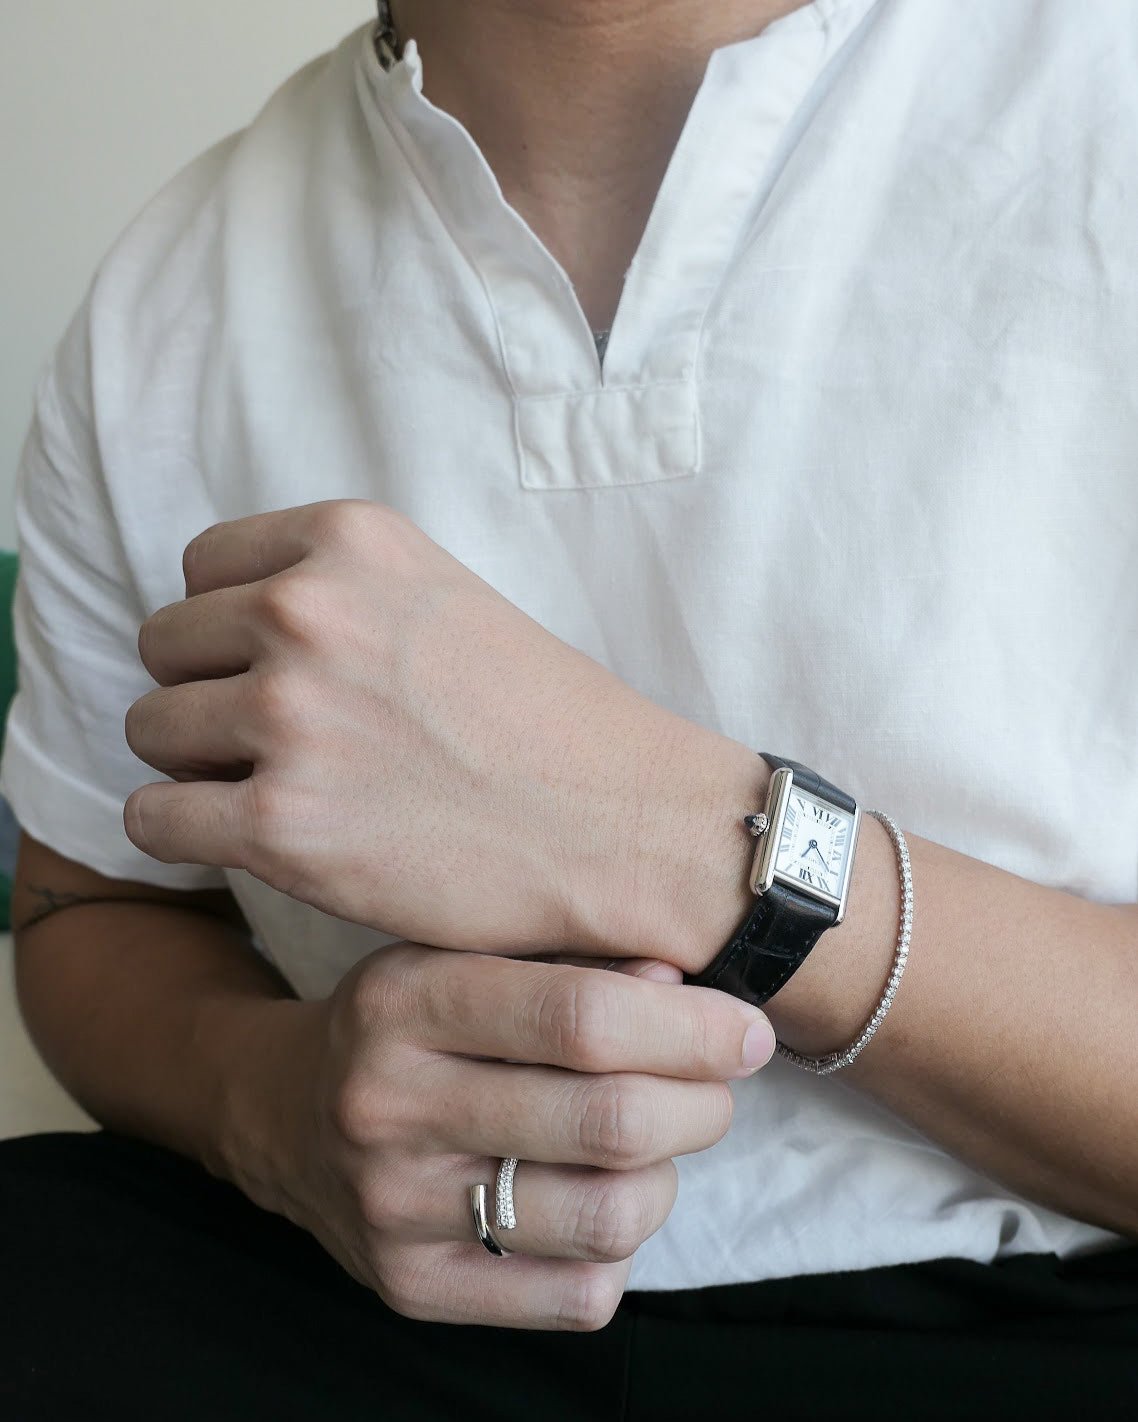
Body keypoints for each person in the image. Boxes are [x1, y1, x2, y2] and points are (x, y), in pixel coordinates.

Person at [2, 0, 1137, 1416]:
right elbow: (83, 907)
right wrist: (274, 1100)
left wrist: (678, 843)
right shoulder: (167, 292)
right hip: (369, 1311)